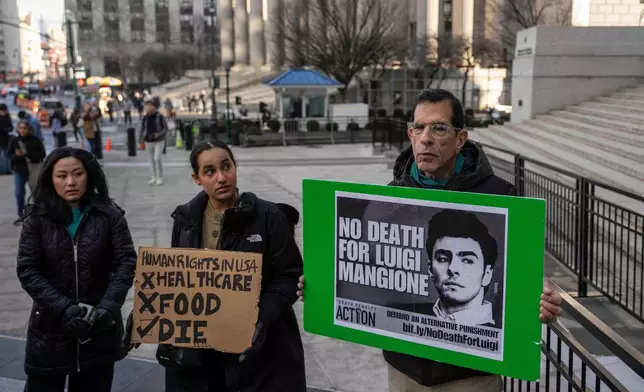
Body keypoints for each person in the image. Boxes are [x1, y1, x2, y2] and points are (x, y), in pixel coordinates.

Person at [296, 89, 563, 392]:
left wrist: (539, 295)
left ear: (460, 138)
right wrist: (324, 287)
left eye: (438, 128)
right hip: (405, 370)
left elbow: (519, 277)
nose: (426, 138)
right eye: (418, 128)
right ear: (410, 134)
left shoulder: (500, 197)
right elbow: (367, 268)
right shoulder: (387, 198)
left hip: (470, 375)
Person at [155, 140, 305, 392]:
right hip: (204, 353)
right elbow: (177, 278)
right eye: (210, 171)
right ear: (197, 178)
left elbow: (289, 275)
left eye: (226, 166)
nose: (221, 177)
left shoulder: (269, 216)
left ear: (235, 166)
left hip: (259, 353)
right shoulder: (186, 219)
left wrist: (261, 320)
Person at [16, 146, 137, 392]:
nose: (71, 182)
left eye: (78, 174)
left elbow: (126, 262)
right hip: (50, 331)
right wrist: (64, 308)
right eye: (62, 176)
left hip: (99, 329)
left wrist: (108, 307)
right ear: (50, 178)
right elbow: (28, 270)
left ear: (89, 175)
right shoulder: (37, 219)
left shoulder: (109, 215)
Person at [8, 121, 46, 226]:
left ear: (28, 129)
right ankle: (21, 214)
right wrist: (17, 156)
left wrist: (27, 154)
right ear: (18, 129)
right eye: (21, 128)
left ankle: (39, 212)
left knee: (36, 192)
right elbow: (10, 154)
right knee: (19, 192)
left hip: (33, 169)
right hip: (19, 170)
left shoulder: (35, 141)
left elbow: (42, 154)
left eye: (25, 128)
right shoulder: (15, 141)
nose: (23, 130)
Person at [139, 101, 168, 185]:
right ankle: (153, 177)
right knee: (151, 160)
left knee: (157, 158)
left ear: (154, 107)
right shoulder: (145, 117)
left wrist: (158, 134)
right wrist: (140, 139)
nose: (149, 108)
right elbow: (142, 129)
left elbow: (165, 128)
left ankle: (160, 177)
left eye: (151, 106)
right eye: (147, 106)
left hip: (159, 140)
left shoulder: (160, 117)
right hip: (148, 141)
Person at [0, 103, 13, 174]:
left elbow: (11, 128)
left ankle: (8, 170)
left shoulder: (8, 117)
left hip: (6, 139)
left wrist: (6, 129)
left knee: (7, 155)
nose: (3, 112)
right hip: (2, 138)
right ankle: (2, 170)